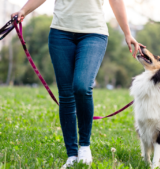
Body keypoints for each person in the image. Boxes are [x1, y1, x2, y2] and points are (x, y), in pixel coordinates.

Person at [12, 0, 145, 168]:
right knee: (66, 94)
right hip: (60, 33)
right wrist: (23, 10)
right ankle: (72, 155)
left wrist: (127, 33)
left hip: (94, 33)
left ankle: (84, 146)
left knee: (82, 86)